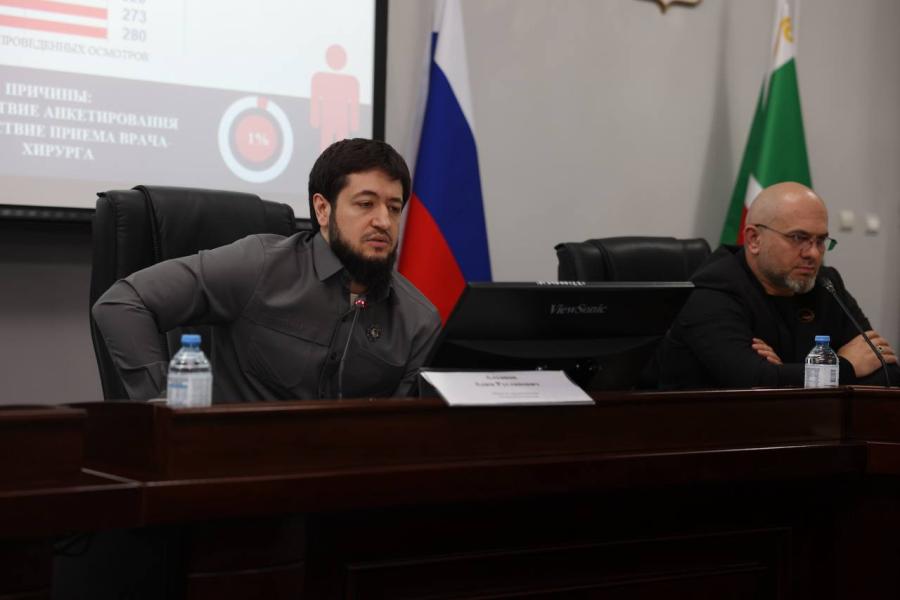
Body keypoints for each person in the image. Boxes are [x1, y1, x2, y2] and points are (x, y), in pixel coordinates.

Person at [93, 138, 442, 402]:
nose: (383, 221)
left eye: (394, 208)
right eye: (366, 204)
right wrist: (163, 407)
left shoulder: (418, 320)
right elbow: (123, 302)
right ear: (323, 210)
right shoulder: (259, 266)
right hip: (234, 465)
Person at [657, 181, 898, 389]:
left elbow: (887, 371)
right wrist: (843, 366)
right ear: (754, 239)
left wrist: (784, 374)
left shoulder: (826, 284)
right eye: (799, 238)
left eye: (821, 240)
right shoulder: (711, 293)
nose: (814, 253)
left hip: (802, 422)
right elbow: (752, 382)